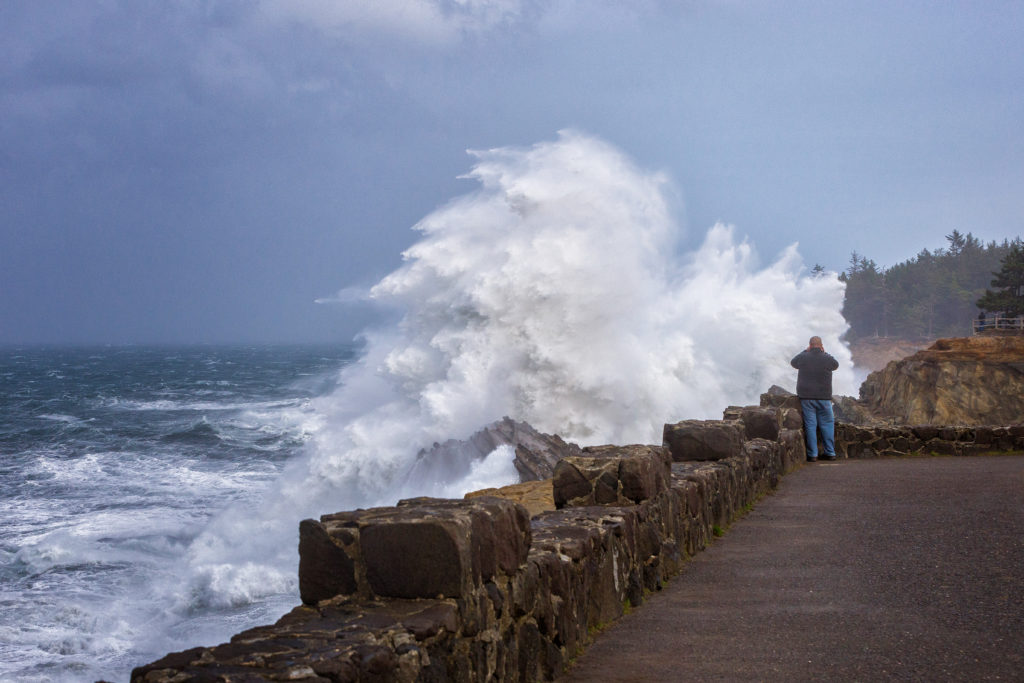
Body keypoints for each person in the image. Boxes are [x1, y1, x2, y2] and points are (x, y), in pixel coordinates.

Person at [790, 336, 840, 462]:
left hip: (806, 397)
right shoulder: (827, 358)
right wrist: (824, 352)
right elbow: (836, 365)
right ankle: (830, 452)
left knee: (810, 425)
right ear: (821, 345)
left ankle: (813, 455)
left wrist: (805, 351)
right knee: (827, 424)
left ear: (810, 345)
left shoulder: (803, 357)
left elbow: (793, 362)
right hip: (824, 397)